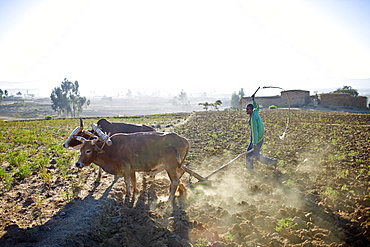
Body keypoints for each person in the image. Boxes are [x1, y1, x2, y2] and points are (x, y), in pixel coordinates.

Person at [245, 95, 278, 170]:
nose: (246, 111)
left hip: (257, 138)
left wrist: (255, 144)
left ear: (251, 110)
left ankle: (250, 168)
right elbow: (257, 107)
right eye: (246, 109)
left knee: (251, 154)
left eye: (248, 109)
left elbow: (254, 132)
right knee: (252, 154)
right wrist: (253, 100)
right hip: (260, 136)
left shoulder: (253, 118)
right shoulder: (255, 112)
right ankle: (271, 162)